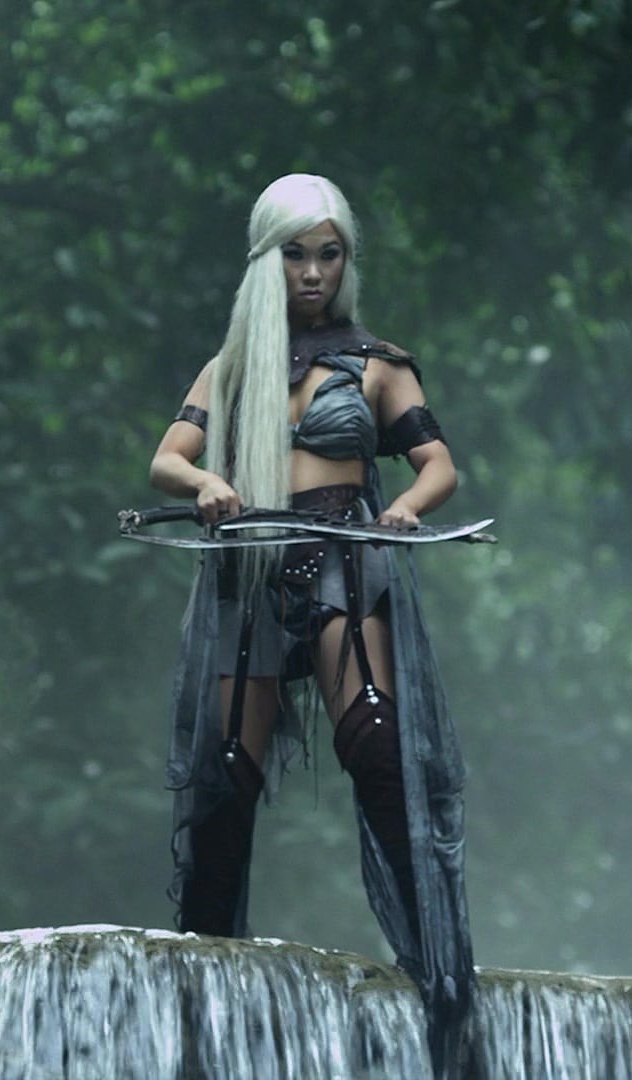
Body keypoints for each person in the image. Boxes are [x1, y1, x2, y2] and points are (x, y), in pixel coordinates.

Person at [147, 173, 477, 1073]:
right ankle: (204, 984)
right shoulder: (232, 367)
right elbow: (167, 459)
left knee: (376, 744)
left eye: (329, 254)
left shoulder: (378, 362)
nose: (313, 272)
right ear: (269, 260)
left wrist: (404, 507)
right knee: (224, 775)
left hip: (342, 561)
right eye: (296, 254)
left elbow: (438, 464)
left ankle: (441, 981)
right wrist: (207, 482)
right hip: (250, 570)